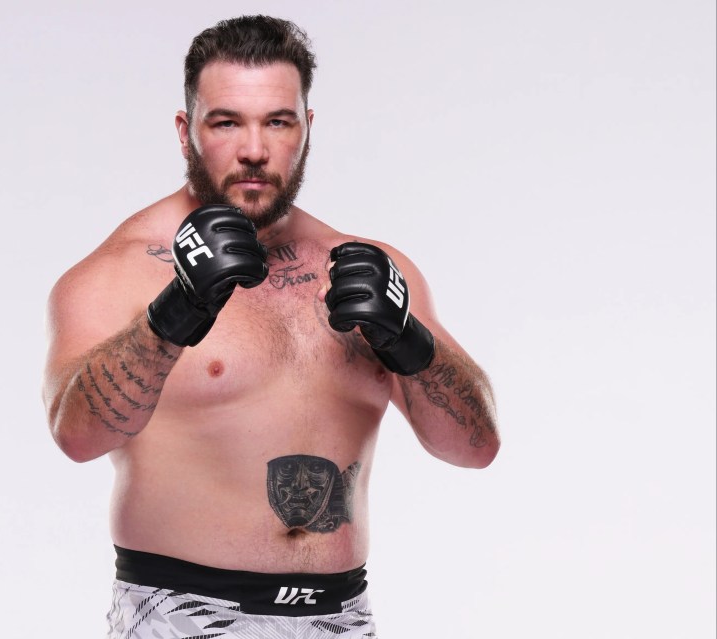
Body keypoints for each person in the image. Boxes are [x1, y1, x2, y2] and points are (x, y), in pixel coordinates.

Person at [42, 15, 500, 638]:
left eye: (278, 122)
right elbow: (76, 436)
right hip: (184, 615)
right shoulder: (119, 272)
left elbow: (475, 448)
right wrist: (176, 311)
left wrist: (407, 338)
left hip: (340, 616)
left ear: (307, 128)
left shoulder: (366, 267)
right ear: (185, 132)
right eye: (226, 122)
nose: (254, 150)